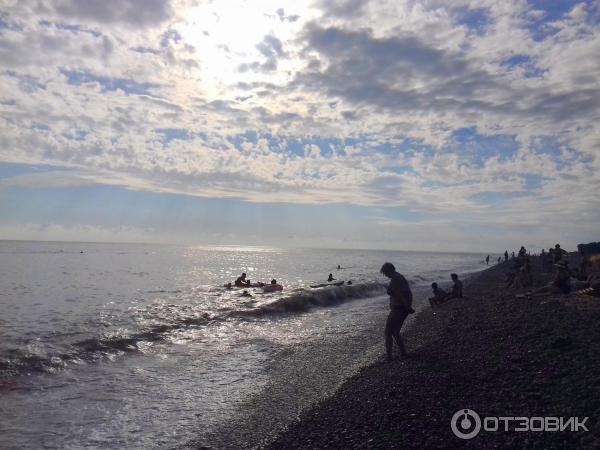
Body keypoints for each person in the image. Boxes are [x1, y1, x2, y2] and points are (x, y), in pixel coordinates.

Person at [380, 262, 414, 361]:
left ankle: (389, 357)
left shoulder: (395, 278)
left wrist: (407, 307)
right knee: (395, 332)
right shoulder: (399, 276)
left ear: (388, 270)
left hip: (399, 308)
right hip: (402, 307)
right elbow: (406, 292)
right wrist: (408, 306)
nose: (385, 275)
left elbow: (400, 294)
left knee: (388, 332)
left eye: (385, 273)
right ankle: (403, 353)